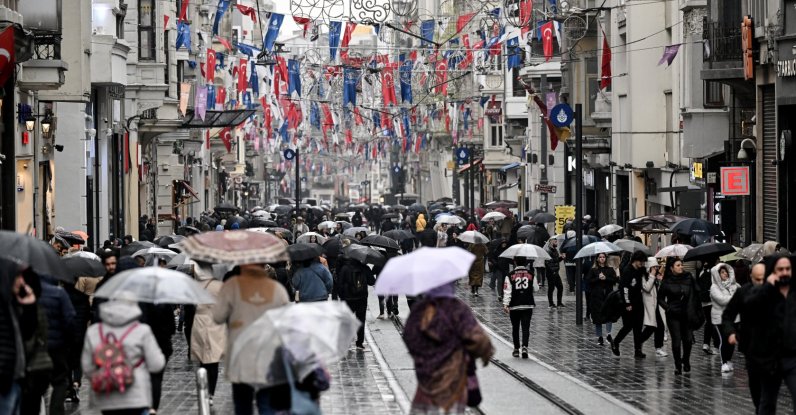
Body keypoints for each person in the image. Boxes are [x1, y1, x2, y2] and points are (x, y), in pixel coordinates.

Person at [403, 282, 494, 414]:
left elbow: (409, 336)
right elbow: (479, 339)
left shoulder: (420, 310)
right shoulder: (457, 308)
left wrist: (423, 356)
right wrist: (481, 353)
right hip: (454, 381)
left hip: (427, 381)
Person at [213, 262, 292, 414]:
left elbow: (217, 317)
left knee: (242, 401)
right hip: (268, 352)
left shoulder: (232, 286)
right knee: (267, 400)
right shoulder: (276, 289)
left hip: (240, 351)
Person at [81, 294, 166, 415]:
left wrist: (106, 375)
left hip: (106, 396)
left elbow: (87, 367)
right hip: (136, 397)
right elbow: (157, 365)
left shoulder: (94, 331)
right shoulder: (142, 330)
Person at [743, 254, 796, 413]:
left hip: (792, 357)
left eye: (788, 269)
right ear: (773, 272)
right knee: (767, 402)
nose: (784, 272)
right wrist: (767, 287)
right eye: (780, 269)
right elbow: (749, 309)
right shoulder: (763, 292)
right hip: (769, 358)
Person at [26, 274, 76, 415]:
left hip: (37, 348)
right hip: (57, 347)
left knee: (36, 384)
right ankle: (55, 410)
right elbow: (70, 319)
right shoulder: (59, 293)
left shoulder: (31, 294)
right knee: (60, 381)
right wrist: (68, 341)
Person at [723, 263, 766, 412]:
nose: (760, 283)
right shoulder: (743, 293)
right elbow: (728, 315)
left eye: (763, 280)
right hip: (751, 346)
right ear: (751, 277)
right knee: (755, 385)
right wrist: (731, 333)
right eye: (757, 279)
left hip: (772, 347)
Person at [190, 262, 227, 406]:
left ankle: (203, 389)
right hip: (215, 323)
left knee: (202, 359)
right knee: (214, 359)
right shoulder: (219, 286)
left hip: (199, 322)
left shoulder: (195, 287)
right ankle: (210, 393)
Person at [658, 258, 700, 375]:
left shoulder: (688, 277)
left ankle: (686, 360)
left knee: (687, 340)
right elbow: (660, 298)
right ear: (671, 268)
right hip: (673, 314)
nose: (681, 267)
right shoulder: (667, 281)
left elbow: (696, 291)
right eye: (678, 265)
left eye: (681, 265)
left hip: (687, 313)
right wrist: (668, 308)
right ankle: (677, 365)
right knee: (676, 341)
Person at [611, 251, 649, 358]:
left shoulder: (641, 270)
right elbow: (624, 288)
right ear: (635, 260)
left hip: (639, 302)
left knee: (638, 327)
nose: (642, 264)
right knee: (628, 326)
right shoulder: (628, 271)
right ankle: (616, 341)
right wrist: (627, 303)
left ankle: (638, 350)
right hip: (628, 303)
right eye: (640, 262)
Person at [336, 256, 376, 349]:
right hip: (362, 298)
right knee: (361, 320)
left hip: (348, 299)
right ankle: (359, 342)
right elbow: (371, 281)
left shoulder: (344, 268)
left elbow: (340, 284)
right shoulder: (364, 267)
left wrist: (342, 297)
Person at [502, 257, 539, 358]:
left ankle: (516, 349)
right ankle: (525, 347)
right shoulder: (531, 274)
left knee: (515, 327)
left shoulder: (509, 275)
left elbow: (507, 291)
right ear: (526, 262)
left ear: (514, 262)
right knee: (526, 327)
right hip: (527, 304)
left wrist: (505, 304)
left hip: (514, 305)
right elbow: (536, 288)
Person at [710, 263, 740, 373]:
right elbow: (722, 300)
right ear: (717, 275)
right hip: (720, 319)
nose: (725, 274)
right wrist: (734, 297)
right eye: (722, 272)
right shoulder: (714, 287)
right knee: (724, 340)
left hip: (734, 318)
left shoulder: (735, 285)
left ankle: (728, 360)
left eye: (726, 271)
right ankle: (723, 363)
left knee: (731, 341)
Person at [587, 253, 618, 346]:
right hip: (597, 297)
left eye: (603, 257)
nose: (602, 259)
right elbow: (589, 282)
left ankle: (608, 334)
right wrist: (598, 278)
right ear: (597, 259)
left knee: (609, 315)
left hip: (608, 296)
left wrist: (605, 278)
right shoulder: (593, 270)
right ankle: (599, 337)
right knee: (597, 317)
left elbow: (614, 280)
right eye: (600, 257)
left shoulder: (610, 269)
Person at [640, 257, 667, 357]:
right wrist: (652, 276)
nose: (656, 269)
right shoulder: (644, 276)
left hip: (655, 305)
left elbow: (657, 290)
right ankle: (639, 342)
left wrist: (658, 280)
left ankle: (658, 348)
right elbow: (647, 288)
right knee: (651, 327)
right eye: (655, 267)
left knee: (660, 326)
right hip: (648, 305)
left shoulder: (653, 276)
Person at [697, 260, 721, 355]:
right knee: (715, 323)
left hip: (704, 302)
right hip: (713, 301)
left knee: (708, 322)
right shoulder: (715, 272)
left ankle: (706, 343)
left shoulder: (702, 272)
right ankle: (716, 346)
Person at [545, 237, 564, 309]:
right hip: (551, 273)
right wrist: (552, 271)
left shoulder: (555, 250)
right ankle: (551, 303)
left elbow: (555, 261)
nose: (556, 243)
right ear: (551, 242)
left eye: (556, 242)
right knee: (551, 288)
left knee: (560, 287)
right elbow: (549, 262)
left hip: (556, 272)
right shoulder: (548, 251)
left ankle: (559, 303)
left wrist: (561, 258)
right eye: (555, 242)